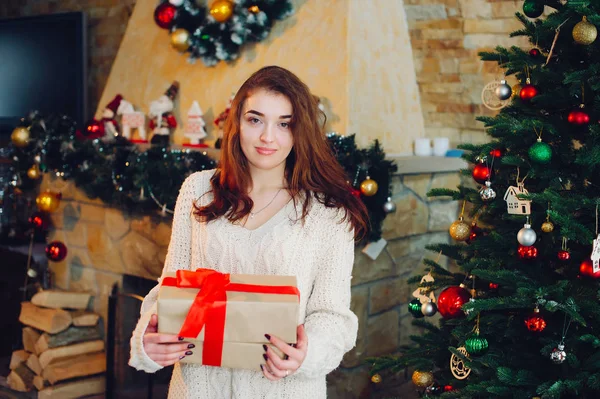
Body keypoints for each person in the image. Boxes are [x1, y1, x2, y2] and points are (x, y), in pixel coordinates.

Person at [129, 65, 369, 398]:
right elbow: (170, 288)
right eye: (255, 120)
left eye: (284, 124)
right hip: (198, 389)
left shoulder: (329, 212)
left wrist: (306, 353)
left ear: (301, 131)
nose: (267, 137)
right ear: (237, 123)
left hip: (284, 390)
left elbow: (332, 315)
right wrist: (148, 339)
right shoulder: (198, 190)